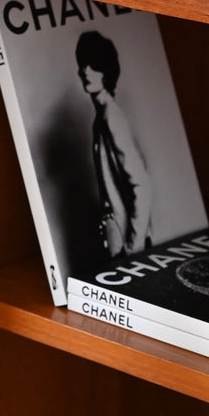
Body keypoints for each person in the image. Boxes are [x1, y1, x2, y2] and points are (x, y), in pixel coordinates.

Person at [75, 30, 154, 258]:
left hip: (129, 249)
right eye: (83, 64)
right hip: (117, 243)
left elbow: (142, 186)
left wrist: (132, 249)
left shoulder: (112, 117)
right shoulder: (101, 118)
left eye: (94, 65)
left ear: (106, 70)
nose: (85, 71)